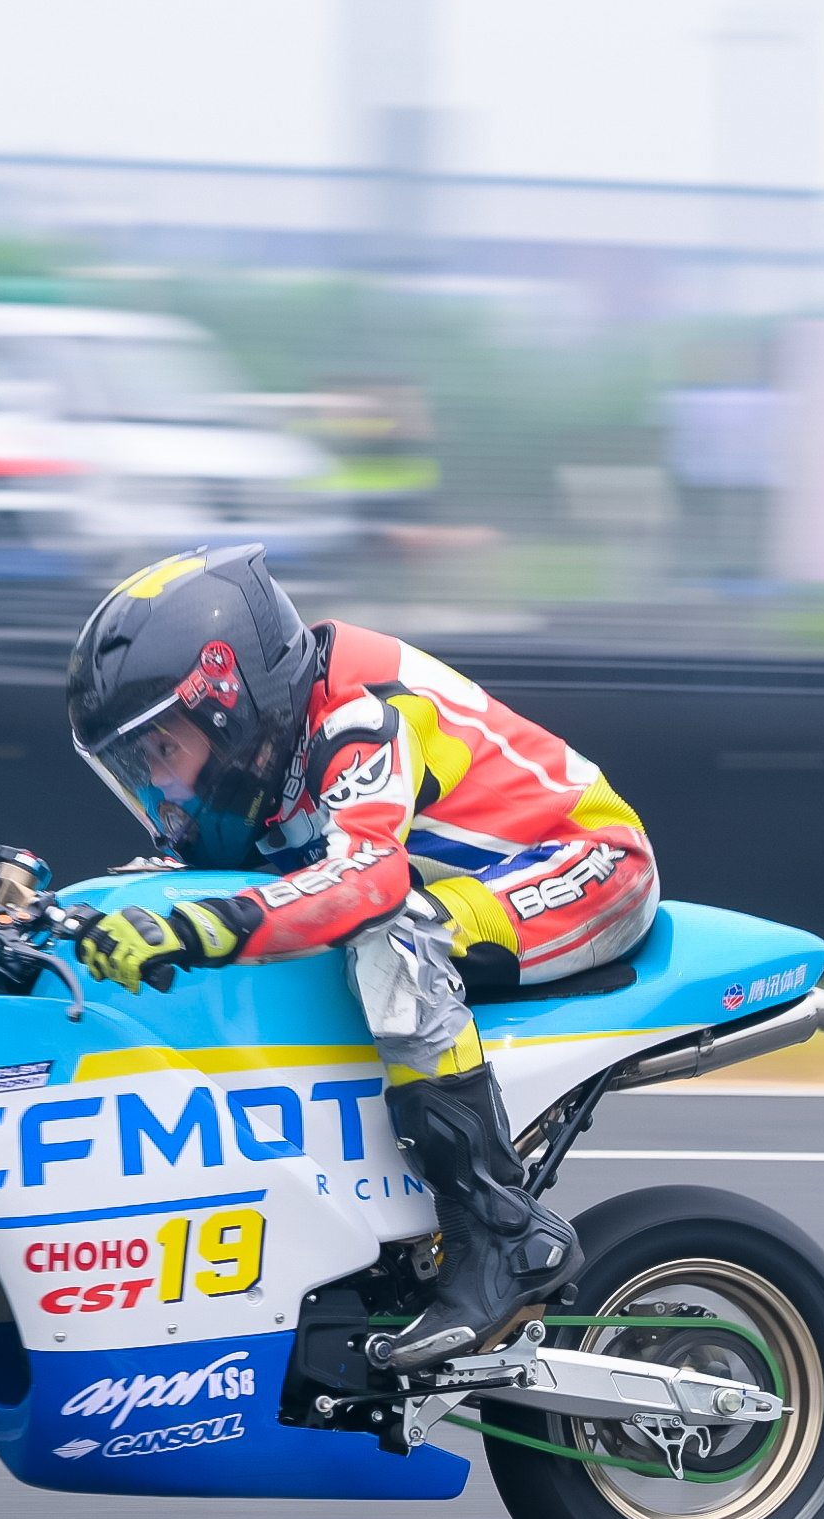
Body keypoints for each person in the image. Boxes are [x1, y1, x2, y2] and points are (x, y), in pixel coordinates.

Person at [60, 544, 655, 1367]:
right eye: (138, 765)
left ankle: (503, 1235)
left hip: (587, 864)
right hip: (478, 886)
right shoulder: (275, 744)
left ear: (225, 706)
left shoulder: (358, 712)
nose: (158, 786)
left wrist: (202, 927)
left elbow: (367, 880)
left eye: (163, 751)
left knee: (392, 936)